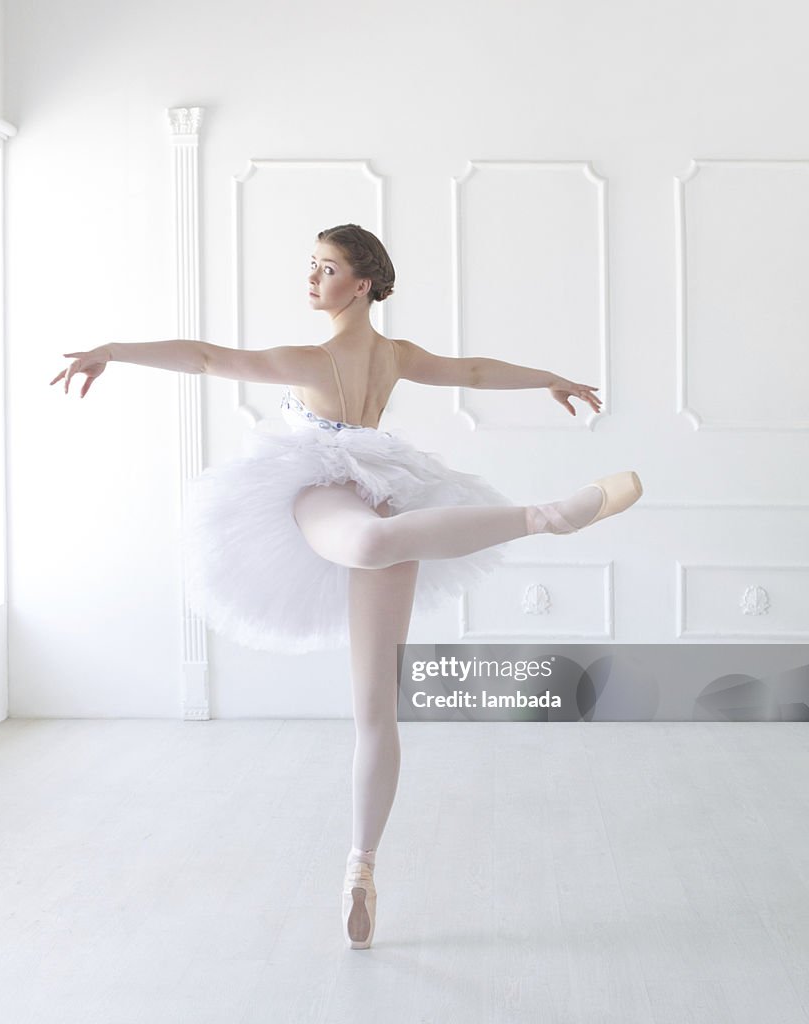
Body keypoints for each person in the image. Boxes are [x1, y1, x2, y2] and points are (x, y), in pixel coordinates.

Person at [50, 223, 643, 950]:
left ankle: (361, 866)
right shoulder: (330, 356)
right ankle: (549, 515)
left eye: (324, 269)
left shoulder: (375, 355)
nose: (310, 280)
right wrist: (117, 350)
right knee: (368, 540)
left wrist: (546, 376)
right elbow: (206, 358)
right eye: (311, 266)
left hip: (380, 487)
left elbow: (474, 373)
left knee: (375, 707)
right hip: (317, 492)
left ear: (360, 284)